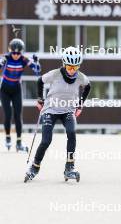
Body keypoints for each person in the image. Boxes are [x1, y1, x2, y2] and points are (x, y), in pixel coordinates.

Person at [25, 46, 91, 182]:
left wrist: (80, 104)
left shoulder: (80, 77)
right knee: (46, 140)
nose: (72, 70)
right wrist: (39, 99)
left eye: (75, 67)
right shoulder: (55, 74)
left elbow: (88, 86)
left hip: (68, 110)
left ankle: (69, 168)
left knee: (72, 133)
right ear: (64, 64)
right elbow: (40, 81)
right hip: (50, 110)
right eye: (69, 67)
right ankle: (34, 167)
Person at [0, 38, 41, 151]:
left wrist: (37, 61)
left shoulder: (23, 59)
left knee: (18, 116)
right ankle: (8, 138)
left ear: (21, 52)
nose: (16, 55)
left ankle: (19, 142)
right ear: (10, 51)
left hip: (17, 89)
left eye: (18, 53)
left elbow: (37, 70)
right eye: (13, 52)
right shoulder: (6, 58)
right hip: (5, 90)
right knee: (8, 115)